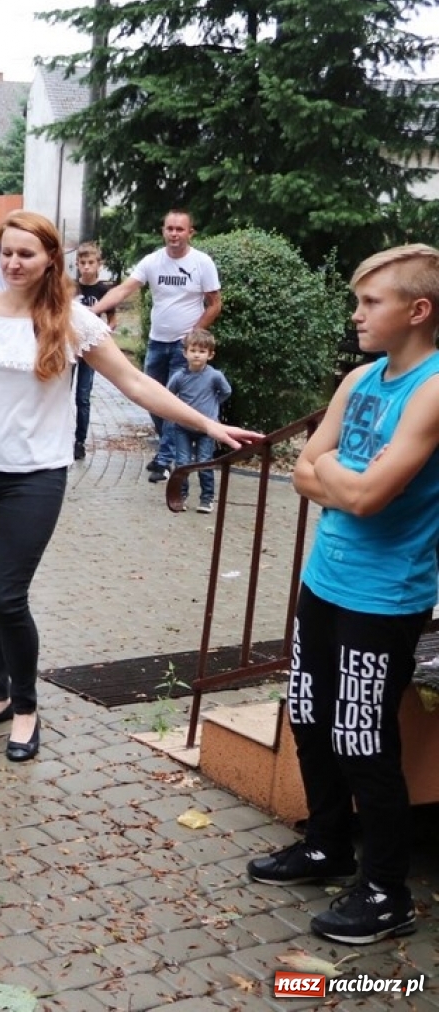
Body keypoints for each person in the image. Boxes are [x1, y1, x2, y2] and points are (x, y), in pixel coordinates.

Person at [0, 212, 260, 762]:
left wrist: (207, 424)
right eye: (7, 252)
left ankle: (25, 708)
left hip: (35, 477)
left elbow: (135, 383)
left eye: (26, 254)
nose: (14, 263)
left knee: (7, 595)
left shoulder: (72, 321)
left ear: (49, 260)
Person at [245, 244, 439, 946]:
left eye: (370, 302)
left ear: (418, 310)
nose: (356, 314)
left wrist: (335, 474)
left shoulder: (433, 390)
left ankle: (387, 892)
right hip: (323, 579)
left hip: (384, 597)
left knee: (362, 735)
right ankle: (327, 843)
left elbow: (364, 497)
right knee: (307, 712)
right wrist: (340, 476)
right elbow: (303, 469)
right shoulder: (361, 378)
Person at [89, 210, 222, 482]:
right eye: (169, 228)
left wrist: (194, 335)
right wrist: (92, 312)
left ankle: (163, 460)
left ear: (190, 233)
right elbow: (123, 290)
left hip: (183, 347)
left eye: (180, 229)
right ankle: (171, 449)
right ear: (163, 231)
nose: (174, 234)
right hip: (157, 342)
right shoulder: (153, 261)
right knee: (151, 400)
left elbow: (215, 304)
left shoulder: (202, 263)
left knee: (171, 400)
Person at [165, 328, 230, 513]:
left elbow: (226, 392)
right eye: (193, 350)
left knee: (204, 462)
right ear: (185, 353)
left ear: (210, 355)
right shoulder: (179, 377)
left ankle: (207, 498)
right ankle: (180, 496)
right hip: (183, 428)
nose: (197, 355)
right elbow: (168, 395)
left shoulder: (215, 376)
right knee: (182, 463)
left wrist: (213, 406)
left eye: (202, 351)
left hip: (206, 430)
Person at [71, 242, 116, 460]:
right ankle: (60, 436)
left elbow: (112, 320)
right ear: (77, 264)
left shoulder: (103, 291)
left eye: (91, 263)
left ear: (99, 264)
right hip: (70, 348)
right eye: (83, 263)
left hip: (90, 350)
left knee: (83, 396)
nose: (87, 267)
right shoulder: (71, 288)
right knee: (61, 393)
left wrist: (103, 335)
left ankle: (80, 441)